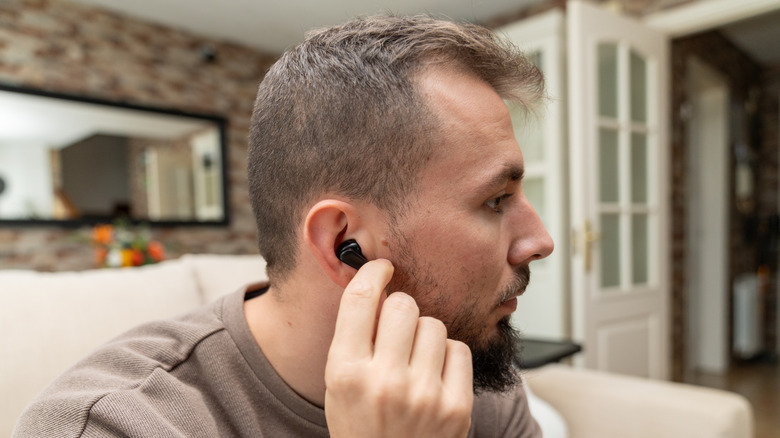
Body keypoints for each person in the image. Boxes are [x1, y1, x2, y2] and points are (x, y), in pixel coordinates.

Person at [14, 14, 553, 438]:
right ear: (346, 243)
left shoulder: (467, 355)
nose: (541, 241)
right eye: (496, 199)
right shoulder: (116, 425)